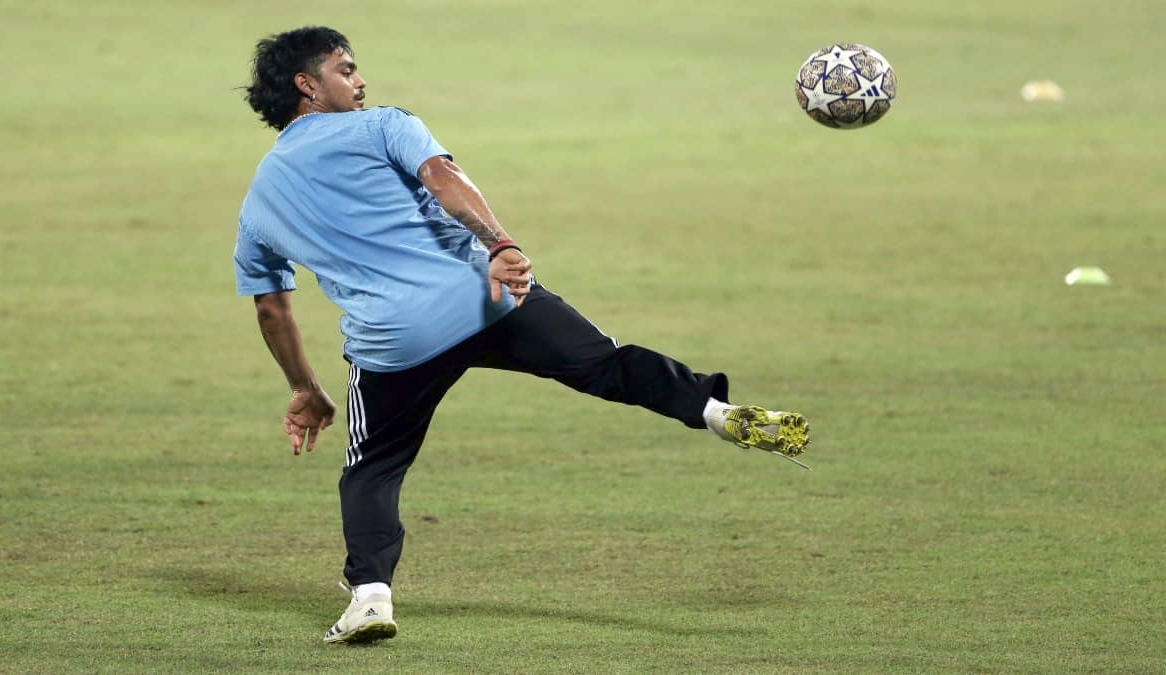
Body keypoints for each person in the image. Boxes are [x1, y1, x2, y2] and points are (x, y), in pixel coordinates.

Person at [235, 26, 811, 645]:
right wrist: (500, 244)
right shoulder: (382, 125)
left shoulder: (258, 204)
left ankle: (370, 598)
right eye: (346, 69)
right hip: (487, 298)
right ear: (307, 84)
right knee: (608, 364)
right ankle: (715, 411)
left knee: (373, 469)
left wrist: (305, 388)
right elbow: (442, 176)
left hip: (394, 342)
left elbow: (273, 309)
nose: (360, 80)